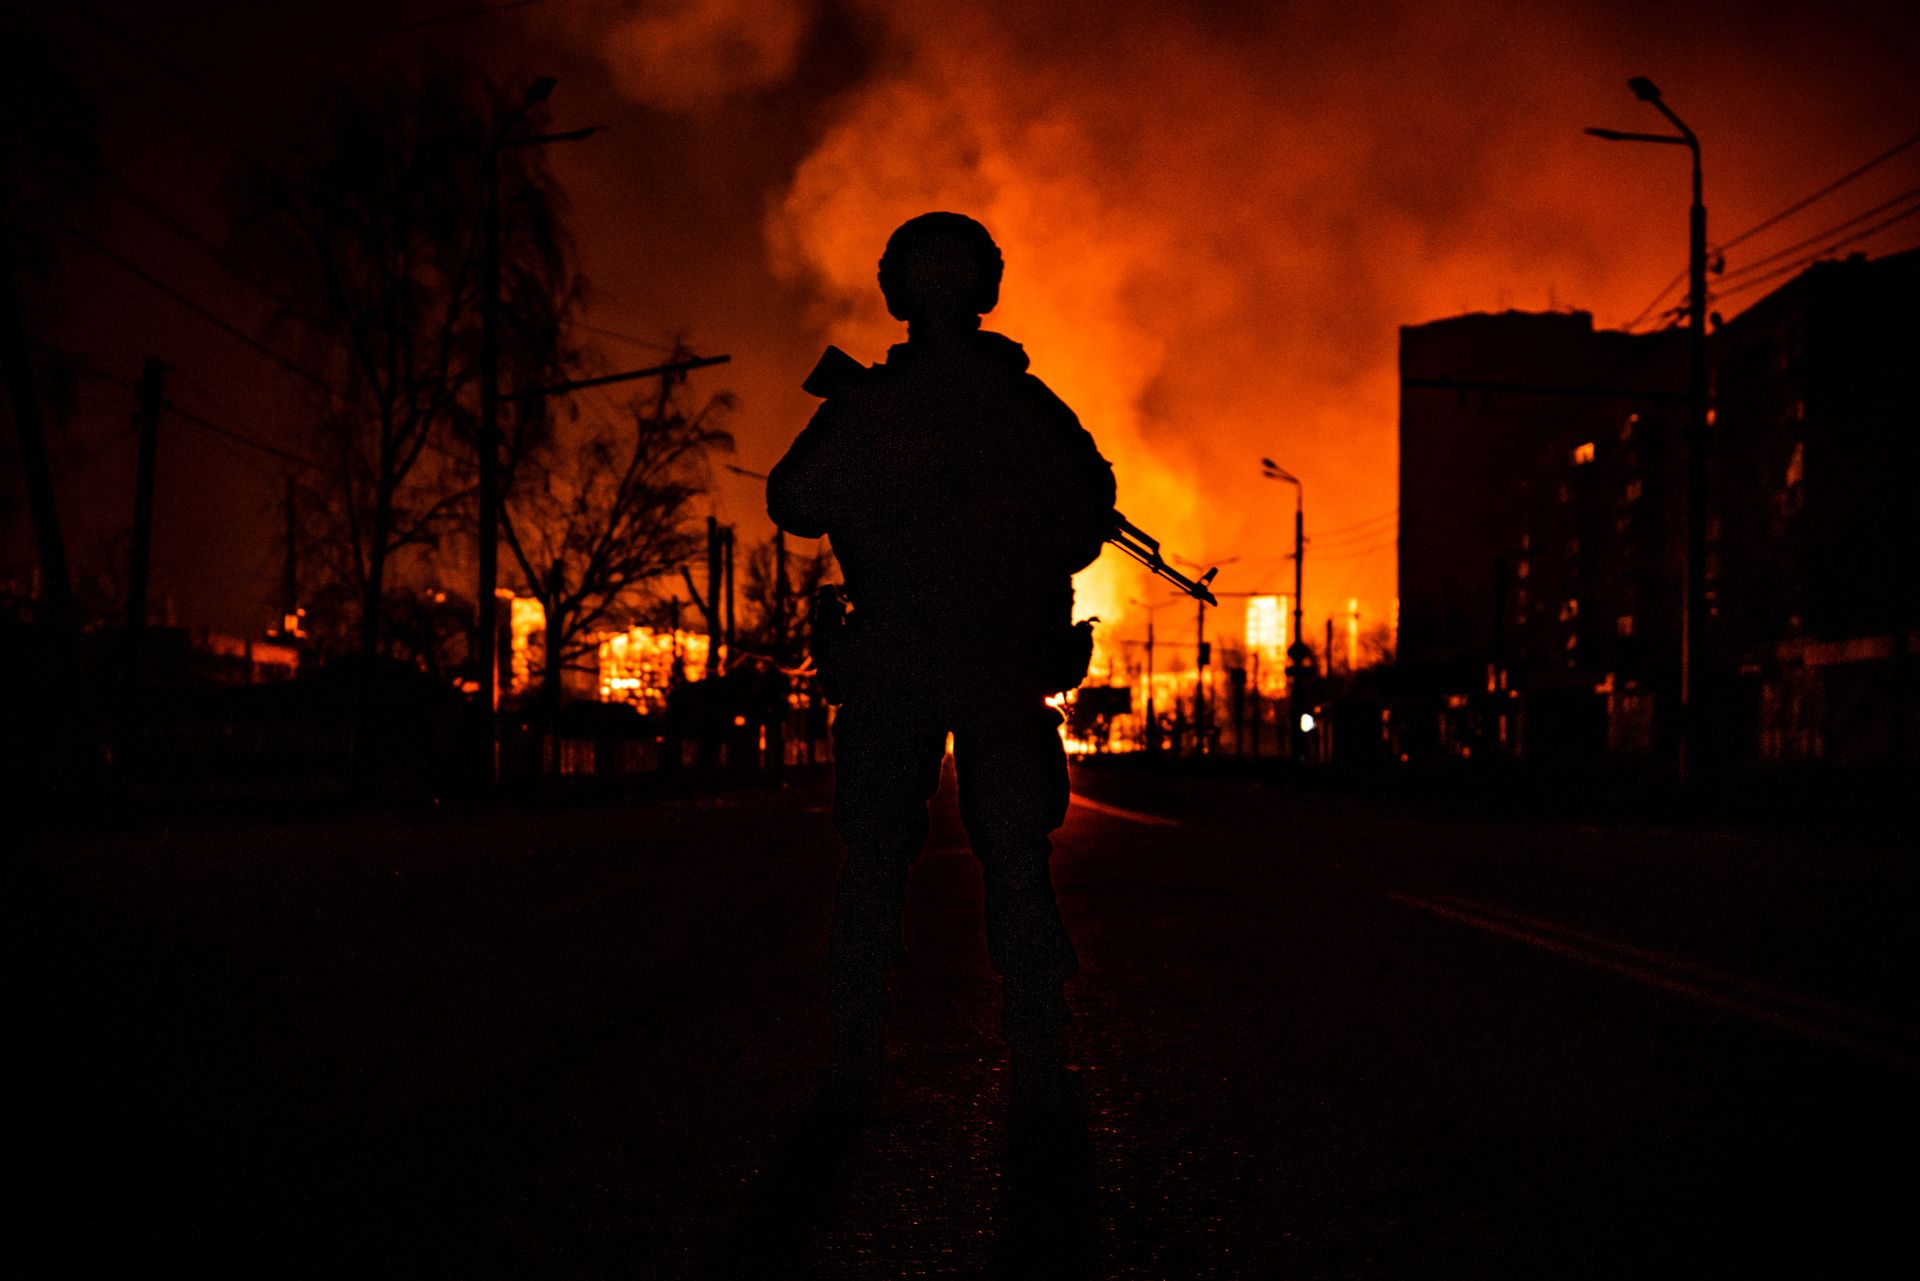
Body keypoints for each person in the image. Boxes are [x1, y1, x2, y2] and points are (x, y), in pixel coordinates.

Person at [767, 212, 1115, 1109]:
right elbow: (1085, 523)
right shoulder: (1023, 407)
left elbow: (797, 501)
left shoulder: (878, 407)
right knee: (1013, 850)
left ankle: (860, 1031)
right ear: (988, 289)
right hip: (989, 659)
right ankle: (1034, 1034)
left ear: (895, 291)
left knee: (880, 851)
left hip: (899, 658)